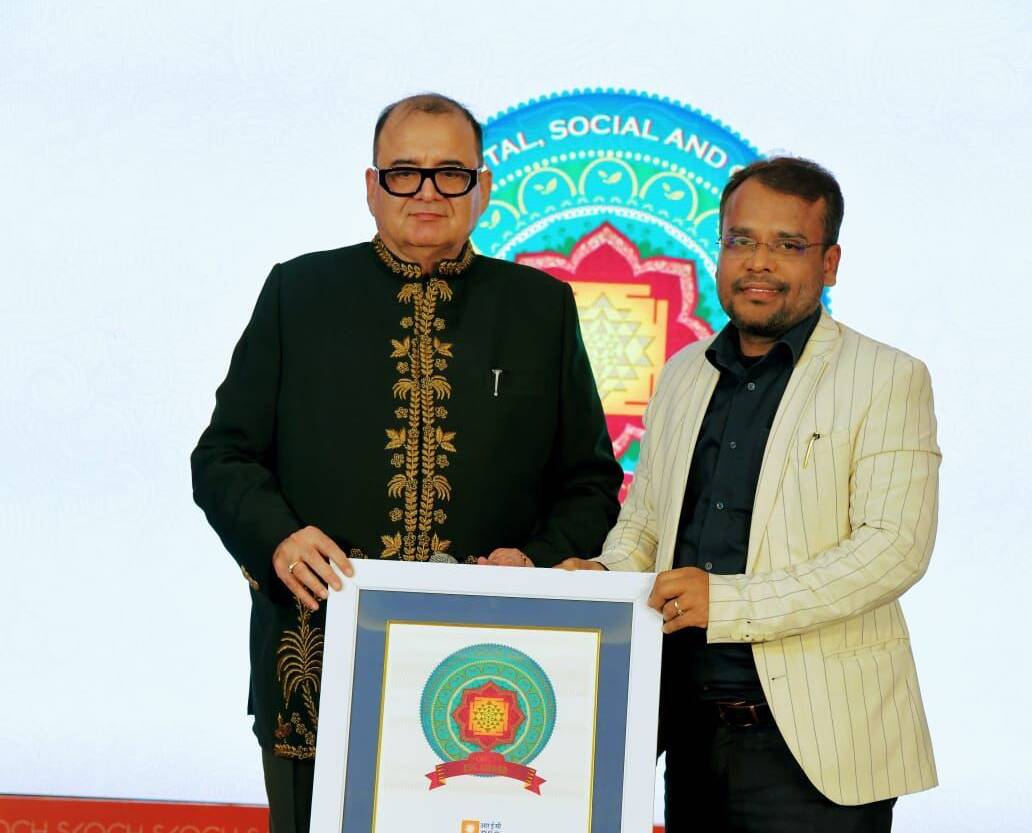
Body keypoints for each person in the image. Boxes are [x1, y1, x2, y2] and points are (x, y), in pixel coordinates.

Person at [190, 93, 622, 833]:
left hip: (493, 672)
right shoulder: (300, 292)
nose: (427, 191)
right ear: (371, 186)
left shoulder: (539, 307)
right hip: (316, 657)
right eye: (404, 172)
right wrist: (278, 538)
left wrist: (537, 558)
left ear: (483, 187)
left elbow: (590, 482)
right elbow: (223, 455)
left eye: (450, 173)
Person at [560, 157, 939, 832]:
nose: (758, 262)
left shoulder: (886, 377)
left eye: (787, 244)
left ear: (829, 263)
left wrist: (727, 602)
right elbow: (646, 523)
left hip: (816, 751)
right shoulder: (684, 371)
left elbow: (892, 549)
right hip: (687, 732)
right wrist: (604, 577)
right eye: (741, 240)